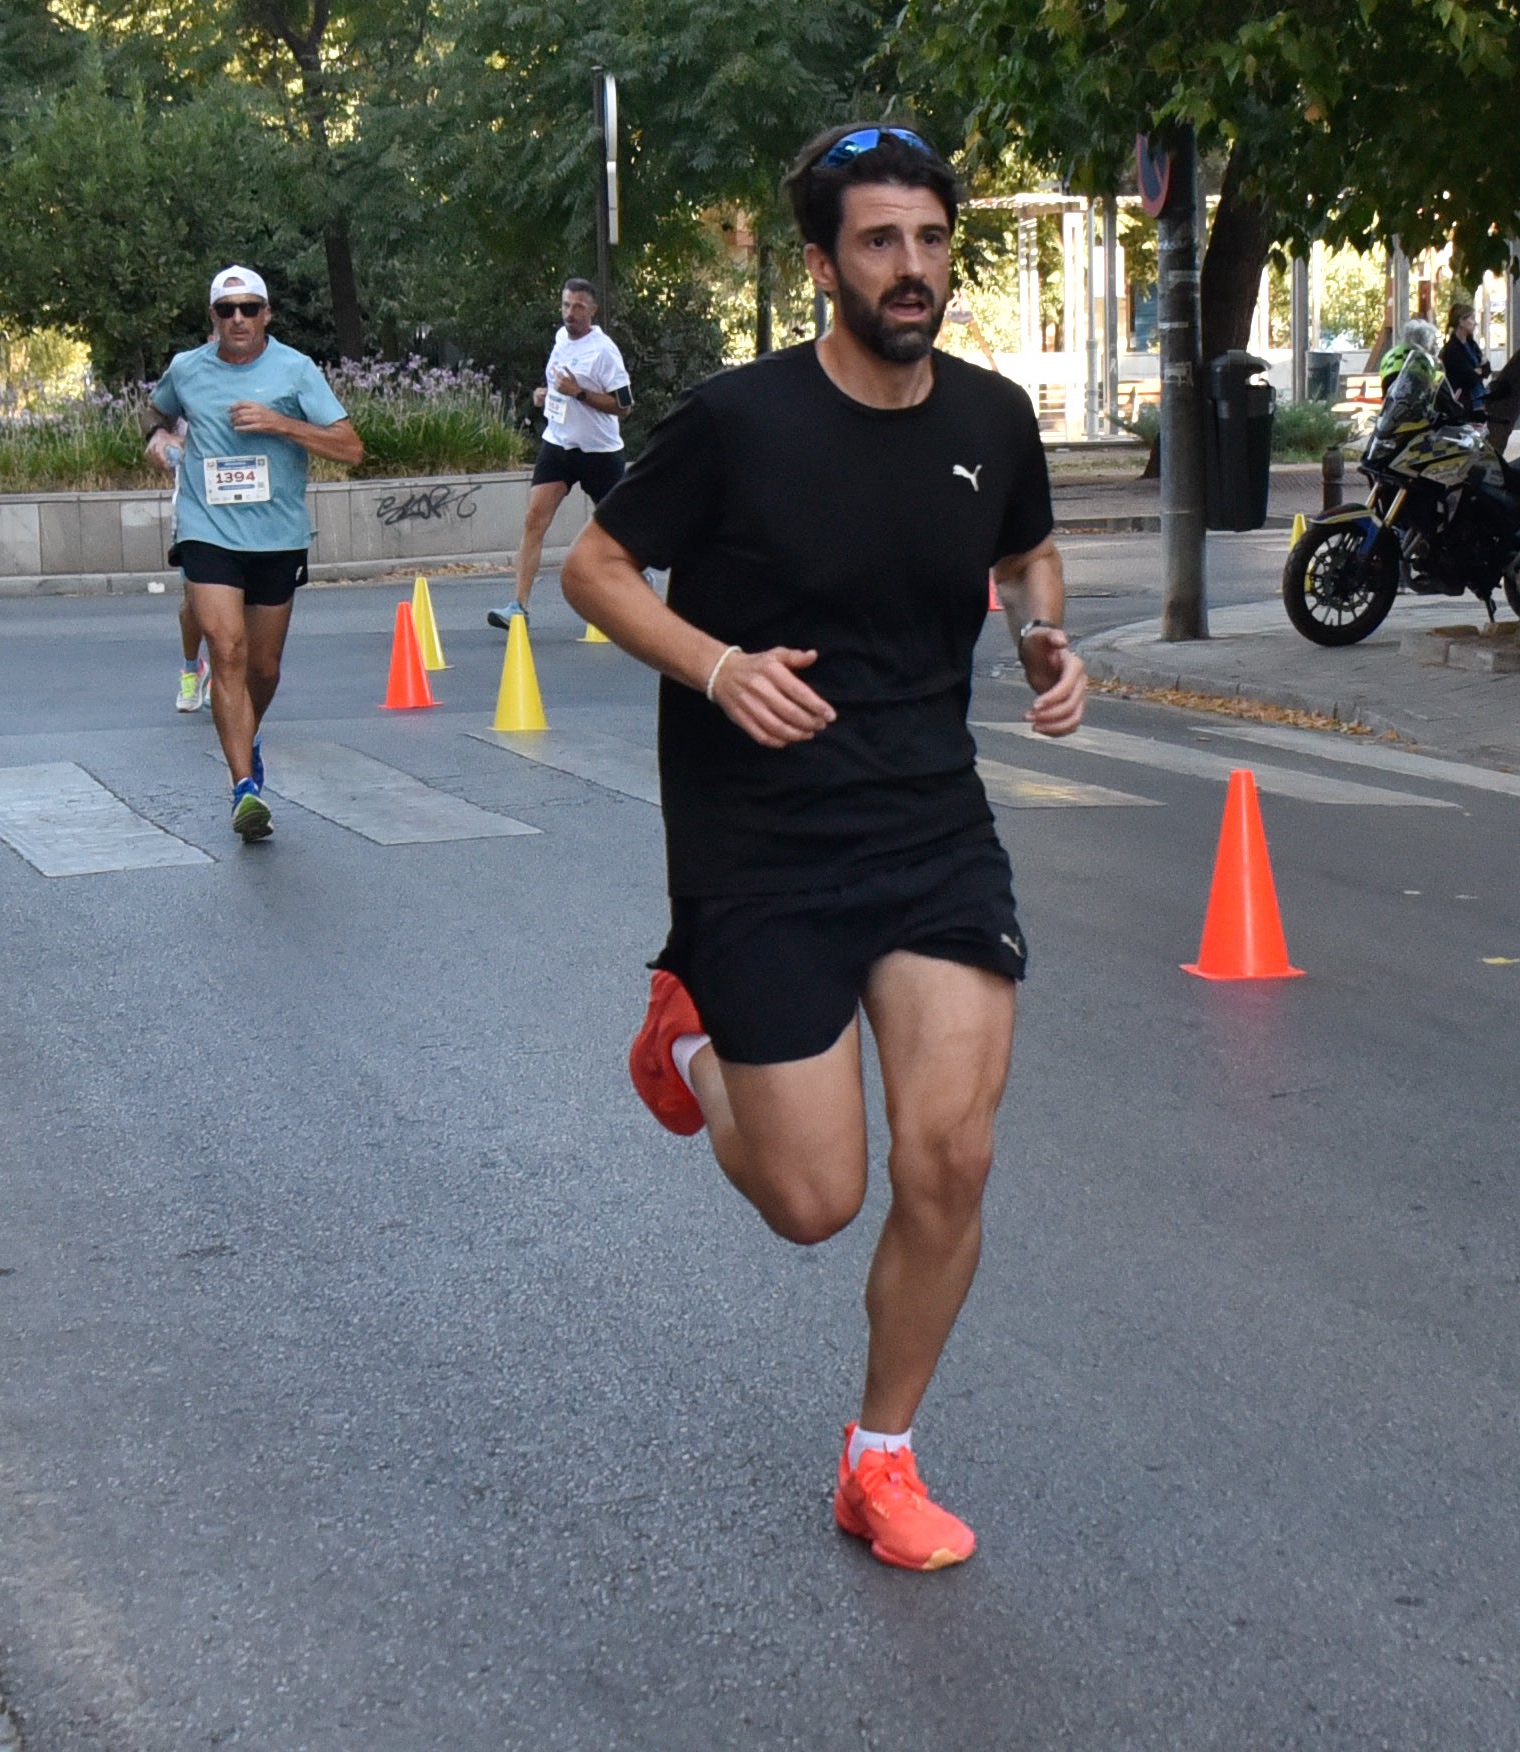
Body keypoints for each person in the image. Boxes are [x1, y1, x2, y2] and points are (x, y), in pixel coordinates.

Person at [561, 122, 1087, 1573]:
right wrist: (719, 667)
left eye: (927, 237)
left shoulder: (990, 417)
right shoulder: (739, 420)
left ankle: (880, 1460)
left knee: (952, 1158)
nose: (909, 266)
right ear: (821, 262)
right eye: (877, 241)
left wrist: (1049, 634)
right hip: (762, 842)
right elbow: (593, 569)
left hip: (929, 827)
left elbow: (1026, 551)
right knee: (814, 1202)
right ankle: (692, 1038)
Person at [140, 266, 362, 840]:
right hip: (206, 530)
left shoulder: (295, 369)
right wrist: (160, 444)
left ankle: (246, 733)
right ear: (212, 318)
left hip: (278, 536)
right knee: (228, 649)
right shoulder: (187, 368)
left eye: (249, 308)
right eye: (226, 309)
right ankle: (244, 789)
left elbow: (350, 447)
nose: (237, 318)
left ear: (267, 314)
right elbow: (155, 413)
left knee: (263, 669)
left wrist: (280, 423)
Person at [489, 280, 632, 630]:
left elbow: (625, 406)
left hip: (598, 451)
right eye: (566, 305)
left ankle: (637, 585)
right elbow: (557, 386)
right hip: (558, 445)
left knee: (622, 528)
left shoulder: (604, 351)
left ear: (593, 310)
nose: (571, 313)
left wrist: (579, 393)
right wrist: (545, 394)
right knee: (534, 519)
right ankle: (518, 607)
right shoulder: (560, 339)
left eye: (579, 307)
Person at [146, 415, 211, 711]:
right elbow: (153, 418)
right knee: (196, 600)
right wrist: (161, 437)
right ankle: (191, 668)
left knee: (242, 599)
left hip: (244, 512)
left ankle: (226, 673)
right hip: (194, 514)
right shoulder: (186, 385)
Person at [1441, 303, 1488, 422]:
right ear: (1461, 322)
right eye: (1471, 318)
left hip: (1479, 399)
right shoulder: (1452, 349)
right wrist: (1477, 371)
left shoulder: (1472, 344)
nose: (1475, 322)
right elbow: (1467, 376)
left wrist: (1479, 371)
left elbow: (1486, 368)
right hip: (1464, 402)